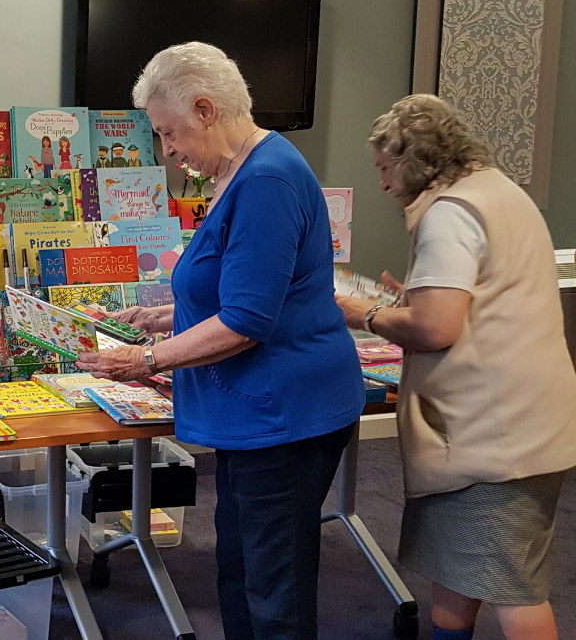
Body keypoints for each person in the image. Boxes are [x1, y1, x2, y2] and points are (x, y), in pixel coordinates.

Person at [77, 42, 364, 640]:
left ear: (206, 110)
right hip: (254, 418)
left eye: (169, 132)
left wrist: (144, 359)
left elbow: (246, 320)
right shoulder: (241, 172)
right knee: (238, 571)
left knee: (272, 590)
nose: (168, 151)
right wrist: (169, 316)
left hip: (283, 419)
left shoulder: (267, 180)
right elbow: (242, 282)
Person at [336, 94, 576, 640]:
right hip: (529, 416)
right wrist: (411, 301)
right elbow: (483, 300)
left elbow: (436, 329)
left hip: (493, 436)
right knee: (463, 568)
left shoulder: (449, 213)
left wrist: (365, 313)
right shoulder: (498, 191)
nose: (382, 183)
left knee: (516, 588)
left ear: (411, 158)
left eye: (384, 167)